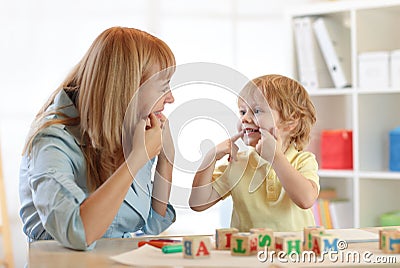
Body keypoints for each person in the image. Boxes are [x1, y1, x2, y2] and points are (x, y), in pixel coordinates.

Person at [19, 26, 176, 250]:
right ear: (128, 88)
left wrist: (166, 158)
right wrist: (136, 160)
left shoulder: (131, 131)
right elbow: (79, 232)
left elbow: (153, 223)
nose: (171, 98)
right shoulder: (51, 141)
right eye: (163, 88)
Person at [190, 74, 319, 232]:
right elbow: (197, 203)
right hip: (247, 252)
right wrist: (210, 158)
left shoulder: (303, 160)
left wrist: (276, 158)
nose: (245, 119)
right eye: (242, 112)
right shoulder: (238, 163)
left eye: (257, 111)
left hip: (293, 252)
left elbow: (305, 200)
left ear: (291, 121)